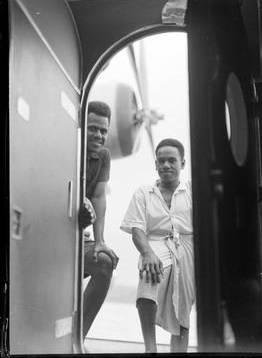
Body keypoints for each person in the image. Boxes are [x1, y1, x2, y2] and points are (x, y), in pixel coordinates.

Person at [120, 138, 195, 353]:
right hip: (155, 243)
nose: (166, 165)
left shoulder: (191, 190)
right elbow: (136, 229)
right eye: (161, 161)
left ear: (183, 163)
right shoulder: (144, 192)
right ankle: (150, 349)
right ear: (155, 164)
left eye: (172, 160)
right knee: (148, 279)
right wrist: (147, 253)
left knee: (183, 306)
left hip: (187, 246)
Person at [79, 101, 119, 341]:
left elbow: (99, 196)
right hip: (49, 237)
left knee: (104, 262)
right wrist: (78, 198)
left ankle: (77, 339)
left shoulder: (104, 155)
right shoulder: (66, 144)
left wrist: (100, 240)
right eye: (93, 128)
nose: (99, 135)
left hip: (77, 239)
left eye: (103, 130)